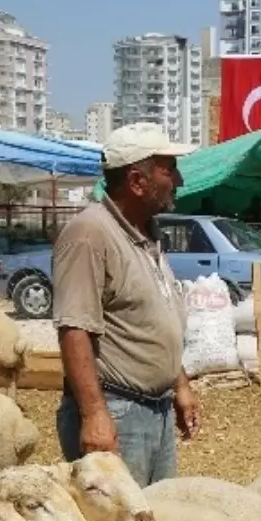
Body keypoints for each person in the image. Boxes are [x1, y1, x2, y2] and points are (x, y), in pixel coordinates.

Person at [52, 123, 203, 485]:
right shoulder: (89, 235)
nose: (178, 180)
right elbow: (74, 328)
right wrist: (94, 415)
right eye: (169, 170)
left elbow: (154, 316)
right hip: (117, 411)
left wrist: (179, 384)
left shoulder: (147, 234)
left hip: (156, 409)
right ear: (137, 181)